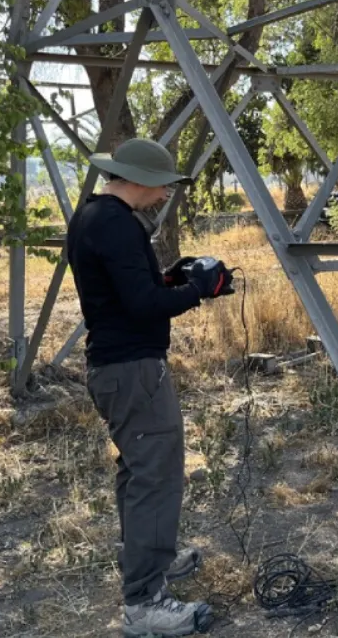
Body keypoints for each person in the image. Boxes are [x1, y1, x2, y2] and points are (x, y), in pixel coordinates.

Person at [67, 137, 233, 637]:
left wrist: (169, 277)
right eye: (162, 186)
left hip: (115, 367)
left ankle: (145, 553)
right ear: (138, 180)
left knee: (138, 470)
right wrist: (197, 290)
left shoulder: (93, 217)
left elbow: (127, 290)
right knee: (156, 475)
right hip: (133, 369)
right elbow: (140, 306)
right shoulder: (117, 224)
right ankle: (144, 601)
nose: (165, 195)